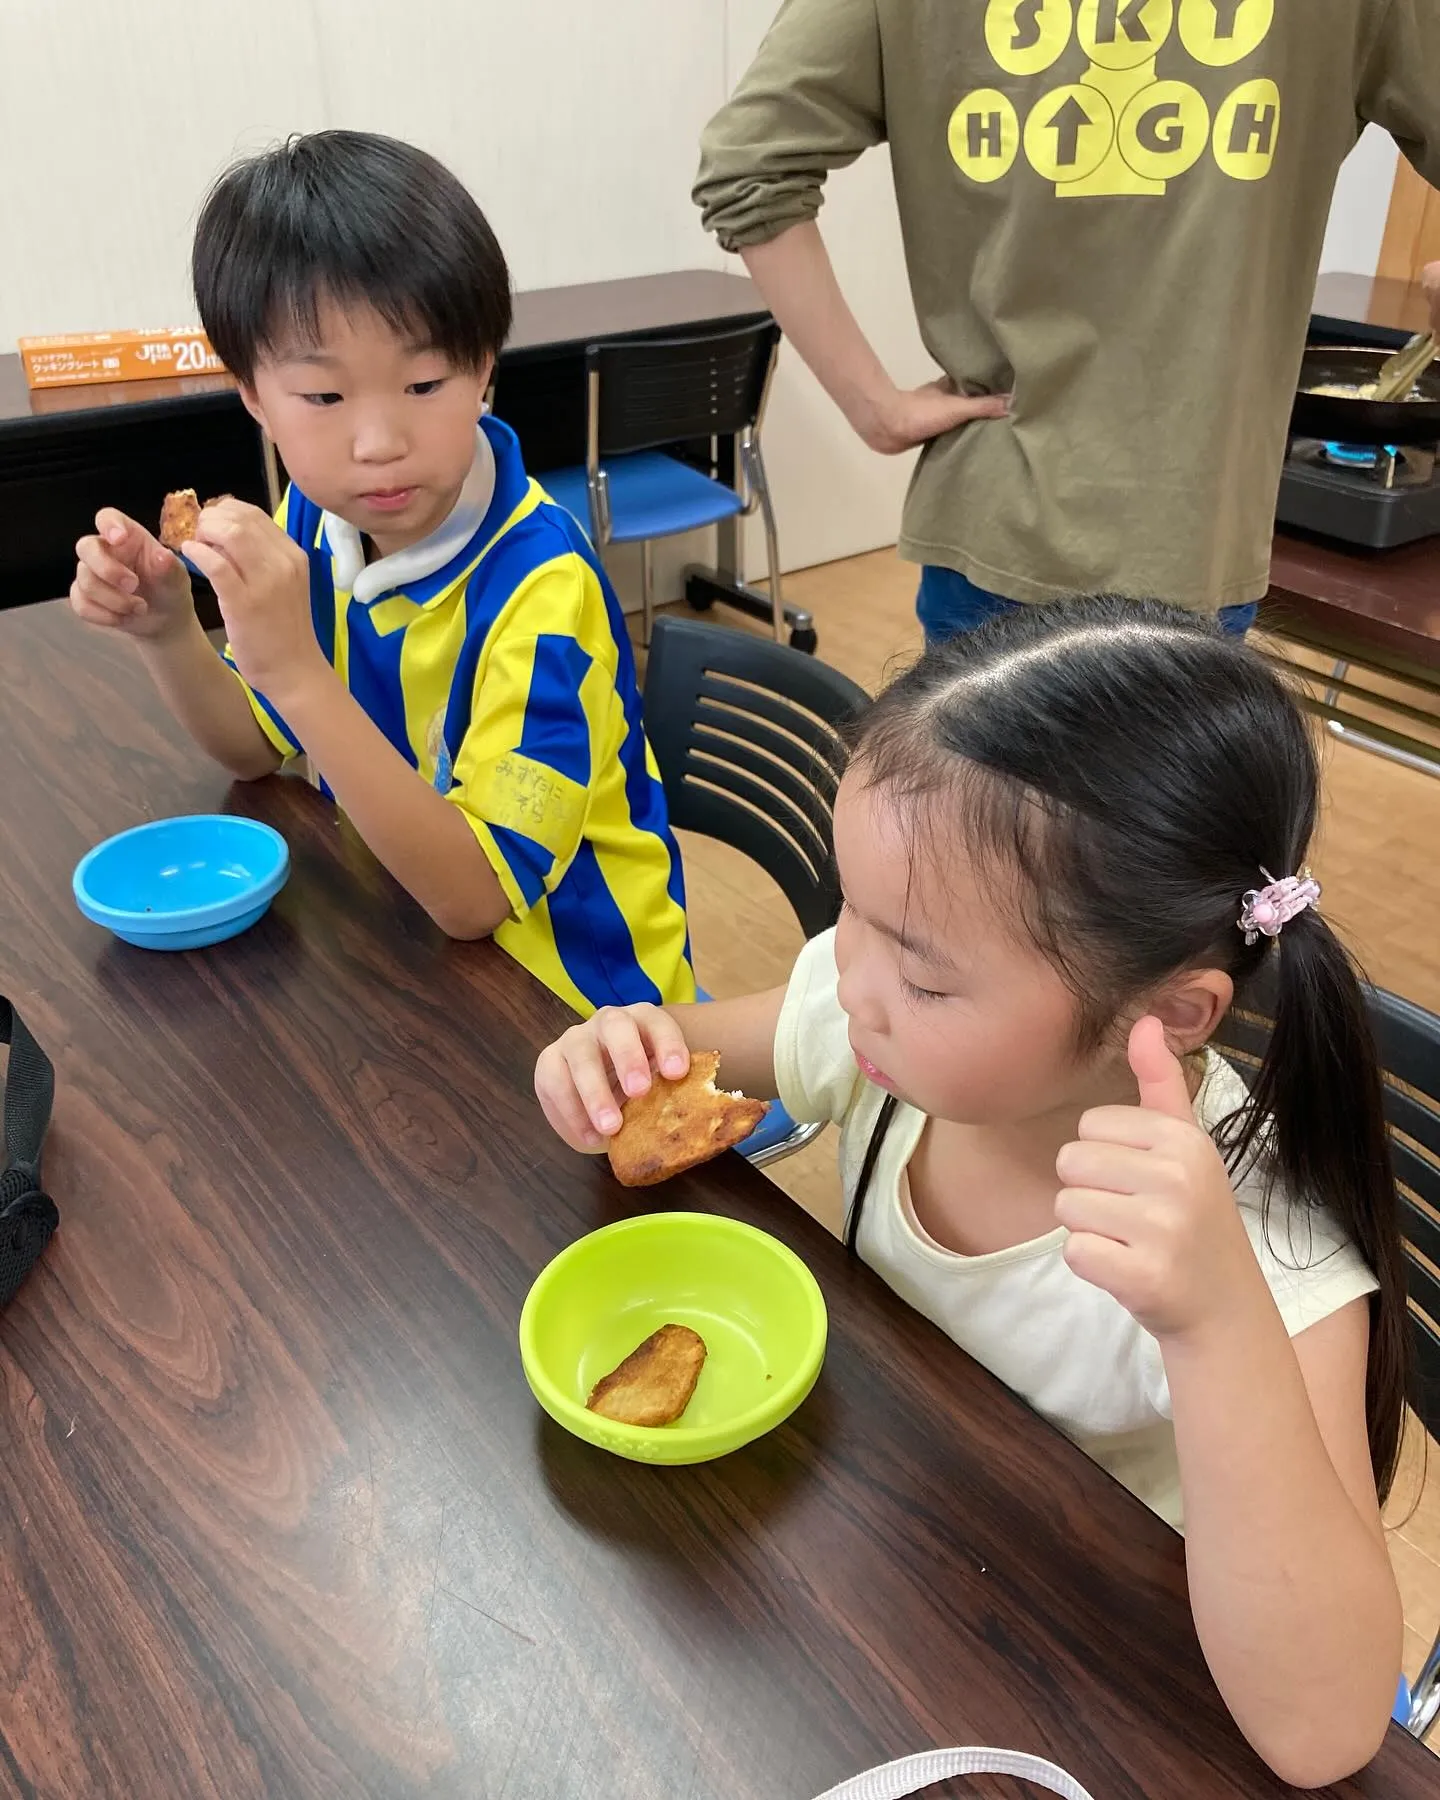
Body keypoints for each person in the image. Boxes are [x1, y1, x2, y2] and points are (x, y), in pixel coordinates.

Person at [534, 596, 1409, 1786]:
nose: (854, 982)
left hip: (1079, 1689)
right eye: (853, 912)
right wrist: (612, 1050)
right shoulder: (878, 1032)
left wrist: (1215, 1325)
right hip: (866, 1595)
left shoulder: (1261, 1259)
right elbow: (687, 1055)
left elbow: (1326, 1732)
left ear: (1162, 1015)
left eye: (925, 975)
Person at [70, 130, 693, 1016]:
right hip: (403, 951)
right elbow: (259, 744)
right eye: (323, 398)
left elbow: (477, 898)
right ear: (252, 393)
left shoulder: (542, 594)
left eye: (426, 382)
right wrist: (170, 628)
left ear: (484, 369)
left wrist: (293, 667)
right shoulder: (315, 522)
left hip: (579, 1009)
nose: (377, 445)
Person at [693, 0, 1440, 643]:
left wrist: (875, 410)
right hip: (1191, 531)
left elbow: (745, 164)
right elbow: (748, 169)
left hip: (998, 509)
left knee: (979, 814)